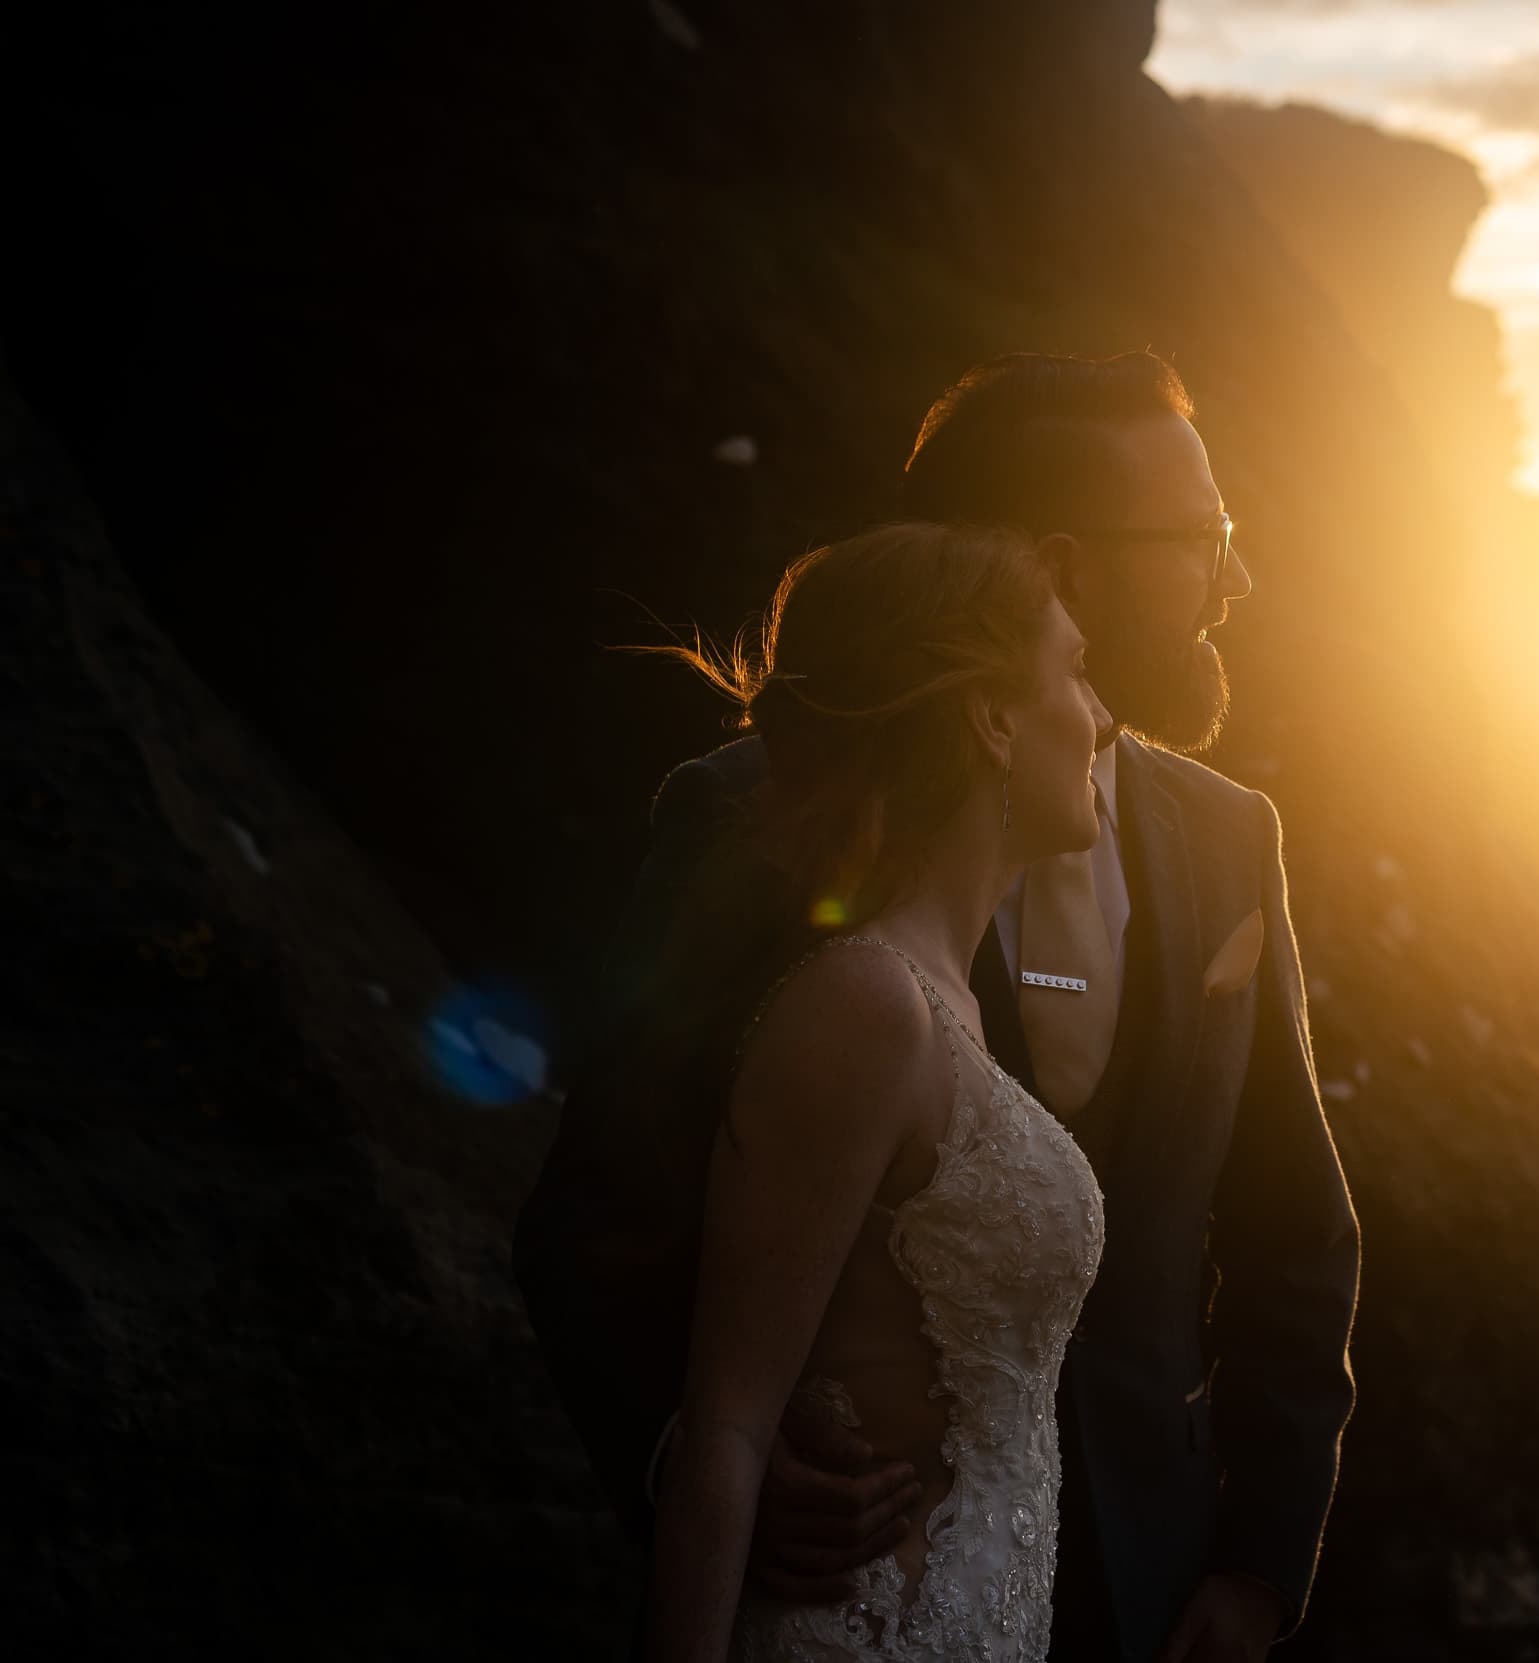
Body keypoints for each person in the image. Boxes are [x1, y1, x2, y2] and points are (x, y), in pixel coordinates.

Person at [517, 352, 1361, 1663]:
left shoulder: (1232, 836)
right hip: (862, 1567)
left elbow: (1295, 1226)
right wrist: (686, 1444)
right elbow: (602, 1201)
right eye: (1204, 538)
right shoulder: (753, 817)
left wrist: (1262, 1558)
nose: (1234, 578)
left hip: (1158, 1581)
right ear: (1066, 569)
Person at [632, 521, 1114, 1660]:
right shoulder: (865, 1004)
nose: (1100, 716)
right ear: (992, 717)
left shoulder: (957, 1004)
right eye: (1077, 669)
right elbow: (730, 1429)